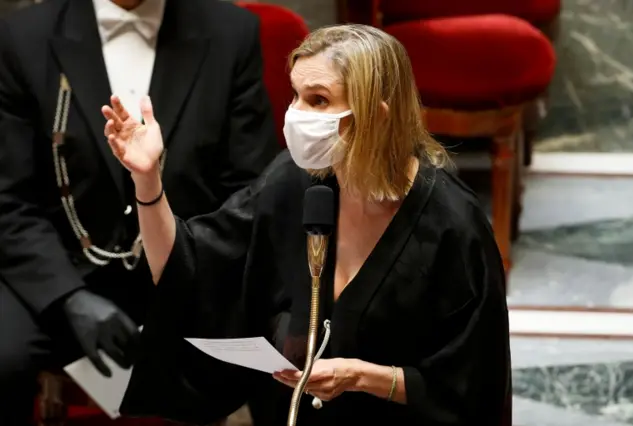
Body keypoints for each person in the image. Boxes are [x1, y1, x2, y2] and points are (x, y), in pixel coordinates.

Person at [103, 24, 512, 426]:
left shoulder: (453, 226)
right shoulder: (296, 179)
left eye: (318, 101)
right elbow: (183, 267)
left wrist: (362, 378)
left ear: (376, 116)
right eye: (296, 96)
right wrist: (147, 179)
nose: (296, 114)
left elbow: (474, 388)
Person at [0, 0, 279, 424]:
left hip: (189, 267)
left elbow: (249, 186)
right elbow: (9, 197)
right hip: (61, 269)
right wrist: (67, 296)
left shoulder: (231, 31)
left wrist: (193, 284)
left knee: (285, 348)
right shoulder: (21, 36)